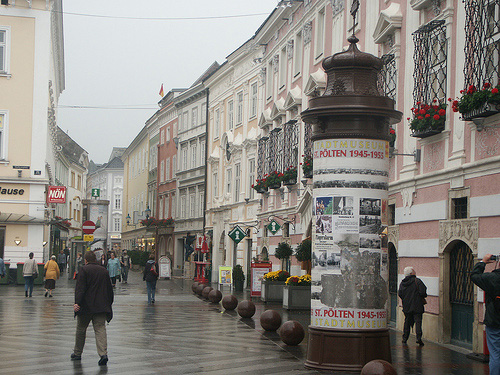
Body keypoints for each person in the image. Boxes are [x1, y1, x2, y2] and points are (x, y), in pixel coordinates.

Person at [72, 251, 114, 366]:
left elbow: (80, 288)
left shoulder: (84, 270)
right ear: (95, 259)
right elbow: (109, 290)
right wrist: (109, 304)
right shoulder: (104, 271)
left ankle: (77, 353)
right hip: (101, 307)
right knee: (100, 330)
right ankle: (103, 354)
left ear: (85, 260)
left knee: (81, 329)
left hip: (86, 306)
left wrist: (77, 303)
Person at [471, 254, 500, 374]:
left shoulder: (492, 278)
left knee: (495, 354)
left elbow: (474, 276)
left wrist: (483, 262)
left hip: (494, 322)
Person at [398, 266, 427, 346]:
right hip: (417, 305)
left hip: (407, 306)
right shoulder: (417, 281)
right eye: (414, 270)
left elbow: (400, 294)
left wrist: (406, 300)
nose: (415, 271)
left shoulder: (402, 283)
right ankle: (418, 338)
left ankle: (405, 338)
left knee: (407, 322)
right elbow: (423, 292)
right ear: (411, 273)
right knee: (418, 322)